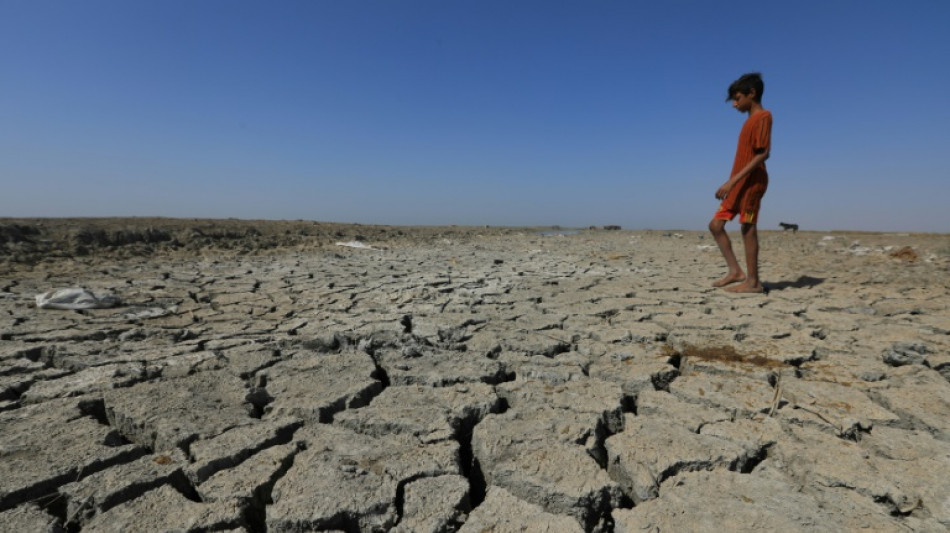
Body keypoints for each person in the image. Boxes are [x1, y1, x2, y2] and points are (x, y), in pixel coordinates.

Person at [709, 72, 772, 293]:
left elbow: (763, 154)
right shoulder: (749, 121)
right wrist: (732, 182)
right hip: (738, 183)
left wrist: (731, 182)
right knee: (716, 225)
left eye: (737, 98)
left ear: (751, 94)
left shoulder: (763, 117)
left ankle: (753, 282)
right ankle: (736, 271)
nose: (735, 104)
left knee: (747, 226)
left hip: (752, 183)